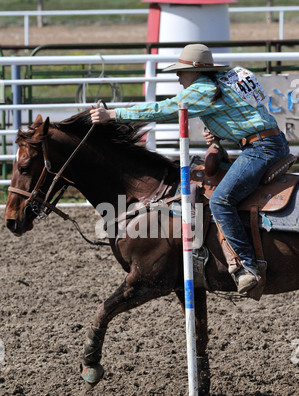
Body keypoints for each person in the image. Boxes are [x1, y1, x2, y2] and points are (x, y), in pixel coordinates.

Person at [90, 44, 289, 295]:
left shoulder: (202, 90)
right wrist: (218, 134)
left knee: (221, 200)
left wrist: (114, 114)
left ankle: (246, 266)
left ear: (196, 72)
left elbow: (163, 110)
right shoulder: (234, 75)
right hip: (270, 142)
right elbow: (245, 112)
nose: (177, 76)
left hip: (260, 149)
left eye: (181, 71)